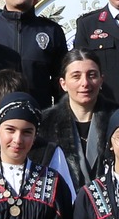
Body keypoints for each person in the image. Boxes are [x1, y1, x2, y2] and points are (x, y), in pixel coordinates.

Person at [40, 50, 113, 194]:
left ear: (101, 80)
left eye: (92, 75)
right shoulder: (44, 124)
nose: (85, 83)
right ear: (63, 83)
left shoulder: (118, 120)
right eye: (76, 76)